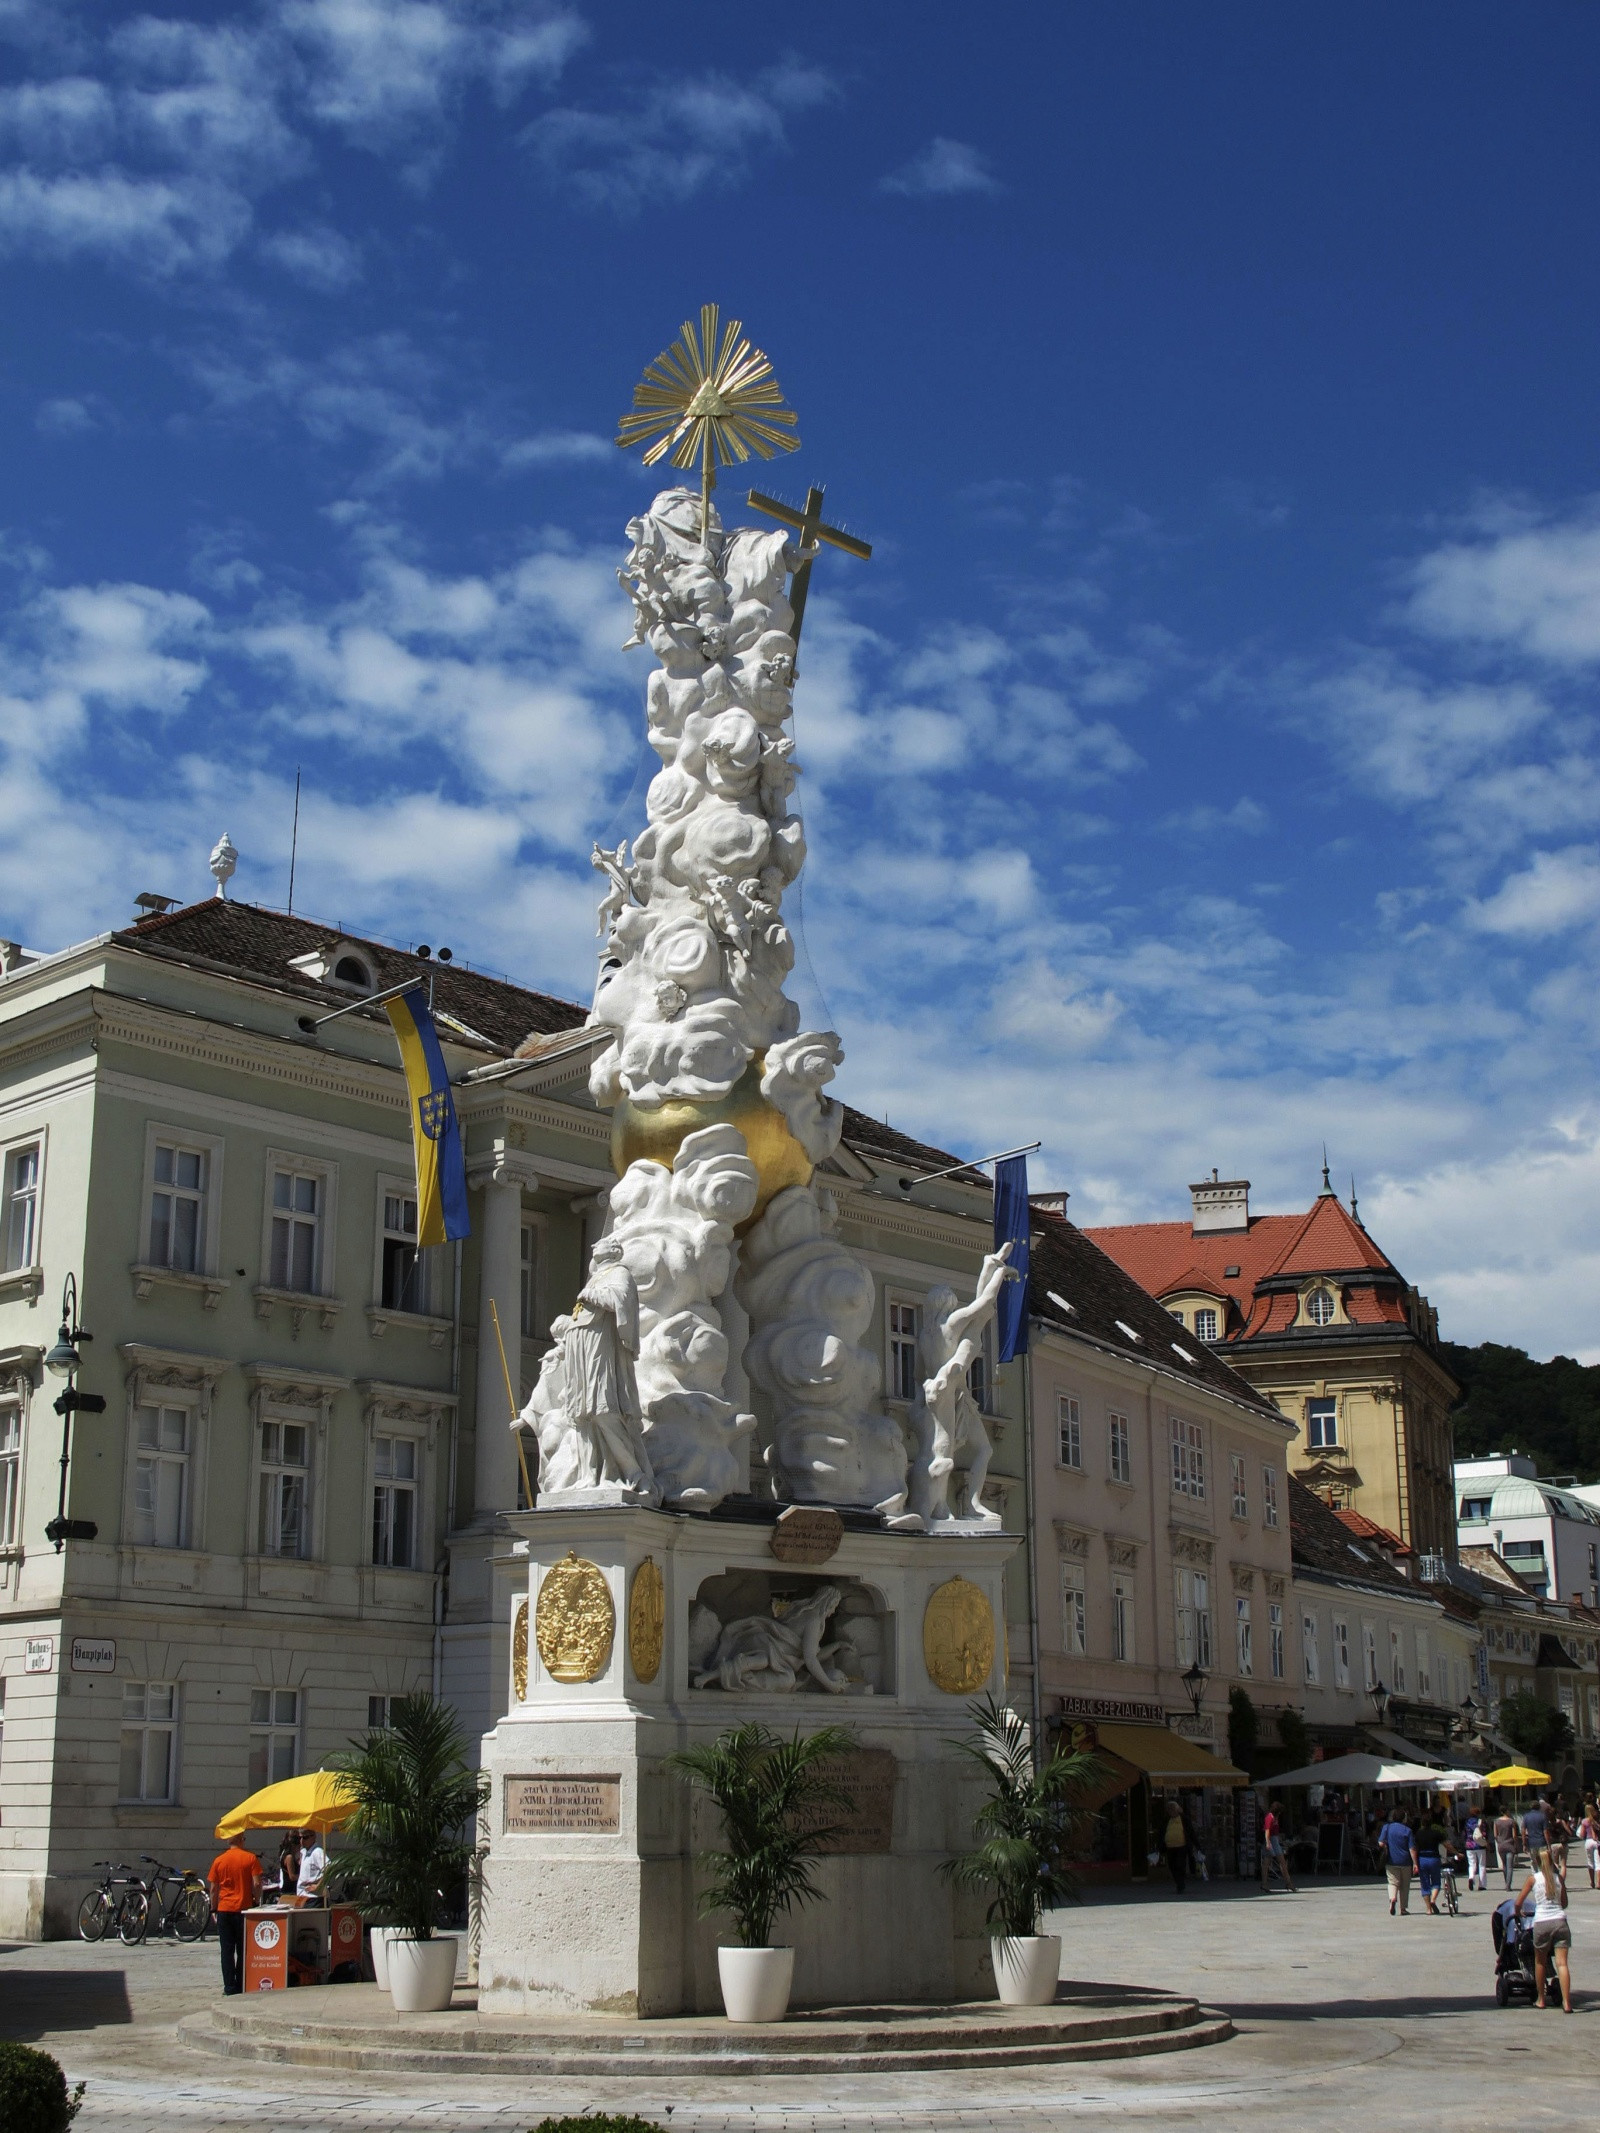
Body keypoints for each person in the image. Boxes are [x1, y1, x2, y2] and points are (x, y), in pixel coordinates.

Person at [1514, 1846, 1573, 2012]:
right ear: (1552, 1861)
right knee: (1562, 1963)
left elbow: (1518, 1902)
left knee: (1540, 1961)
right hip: (1560, 1921)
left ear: (1537, 1862)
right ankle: (1567, 2002)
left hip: (1542, 1923)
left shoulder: (1533, 1879)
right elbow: (1564, 1903)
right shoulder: (1558, 1878)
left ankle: (1541, 1999)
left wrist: (1518, 1912)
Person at [206, 1837, 261, 1996]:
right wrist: (257, 1901)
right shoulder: (250, 1858)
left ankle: (229, 1987)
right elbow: (257, 1884)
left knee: (227, 1951)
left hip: (224, 1909)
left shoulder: (219, 1860)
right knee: (244, 1949)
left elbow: (213, 1889)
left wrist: (213, 1908)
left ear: (228, 1841)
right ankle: (242, 1984)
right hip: (244, 1909)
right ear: (242, 1840)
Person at [1379, 1807, 1418, 1915]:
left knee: (1392, 1882)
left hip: (1391, 1860)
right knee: (1405, 1885)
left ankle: (1392, 1898)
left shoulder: (1387, 1827)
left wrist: (1386, 1846)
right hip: (1405, 1861)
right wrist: (1415, 1863)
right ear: (1404, 1818)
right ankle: (1403, 1908)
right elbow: (1412, 1849)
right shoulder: (1407, 1830)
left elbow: (1380, 1843)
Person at [1414, 1807, 1446, 1916]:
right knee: (1436, 1882)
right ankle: (1433, 1900)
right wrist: (1456, 1853)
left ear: (1422, 1823)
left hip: (1422, 1859)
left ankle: (1428, 1909)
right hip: (1434, 1858)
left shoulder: (1418, 1834)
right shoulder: (1436, 1833)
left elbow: (1415, 1849)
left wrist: (1414, 1863)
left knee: (1425, 1884)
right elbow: (1446, 1844)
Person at [1261, 1798, 1297, 1893]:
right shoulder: (1270, 1817)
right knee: (1269, 1863)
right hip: (1270, 1840)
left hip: (1275, 1840)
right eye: (1279, 1812)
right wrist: (1268, 1843)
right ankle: (1265, 1883)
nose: (1280, 1814)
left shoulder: (1275, 1818)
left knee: (1279, 1862)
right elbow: (1267, 1831)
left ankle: (1287, 1883)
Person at [1163, 1798, 1190, 1895]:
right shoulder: (1167, 1820)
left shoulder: (1184, 1819)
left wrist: (1197, 1846)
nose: (1171, 1812)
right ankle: (1179, 1882)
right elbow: (1162, 1832)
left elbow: (1191, 1832)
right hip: (1170, 1847)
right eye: (1169, 1810)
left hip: (1181, 1846)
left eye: (1173, 1809)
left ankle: (1181, 1884)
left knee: (1180, 1865)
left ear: (1177, 1809)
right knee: (1172, 1866)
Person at [296, 1827, 326, 1902]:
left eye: (305, 1837)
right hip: (302, 1896)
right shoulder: (304, 1852)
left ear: (313, 1837)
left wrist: (318, 1886)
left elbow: (328, 1868)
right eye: (300, 1838)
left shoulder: (317, 1852)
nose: (302, 1841)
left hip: (313, 1897)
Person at [1493, 1804, 1519, 1890]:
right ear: (1507, 1811)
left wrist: (1499, 1842)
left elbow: (1495, 1835)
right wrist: (1516, 1845)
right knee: (1510, 1866)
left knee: (1504, 1865)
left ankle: (1506, 1882)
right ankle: (1508, 1885)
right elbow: (1514, 1835)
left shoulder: (1496, 1821)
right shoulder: (1511, 1821)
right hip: (1510, 1844)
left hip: (1501, 1845)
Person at [1463, 1808, 1488, 1891]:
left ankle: (1471, 1877)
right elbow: (1484, 1833)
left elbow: (1464, 1834)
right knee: (1482, 1865)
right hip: (1480, 1845)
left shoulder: (1467, 1822)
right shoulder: (1480, 1822)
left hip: (1469, 1845)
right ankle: (1482, 1885)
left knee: (1471, 1864)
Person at [1578, 1800, 1600, 1890]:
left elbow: (1582, 1835)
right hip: (1597, 1841)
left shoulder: (1585, 1821)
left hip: (1588, 1841)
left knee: (1590, 1862)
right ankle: (1599, 1882)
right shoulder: (1597, 1820)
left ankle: (1592, 1882)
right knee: (1598, 1863)